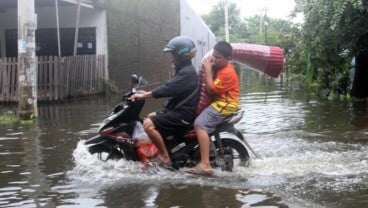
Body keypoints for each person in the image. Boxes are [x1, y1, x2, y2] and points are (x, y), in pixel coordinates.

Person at [130, 36, 199, 167]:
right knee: (150, 116)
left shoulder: (187, 73)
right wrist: (145, 93)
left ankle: (164, 156)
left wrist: (146, 95)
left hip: (184, 114)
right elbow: (169, 85)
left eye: (172, 54)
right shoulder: (184, 70)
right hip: (179, 110)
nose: (171, 57)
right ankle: (168, 147)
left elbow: (169, 88)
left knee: (148, 124)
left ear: (180, 55)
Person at [186, 41, 239, 176]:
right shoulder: (221, 68)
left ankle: (205, 164)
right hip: (220, 102)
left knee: (200, 124)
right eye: (214, 56)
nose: (215, 59)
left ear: (228, 59)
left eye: (219, 57)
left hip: (225, 104)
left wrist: (208, 69)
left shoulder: (227, 72)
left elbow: (211, 90)